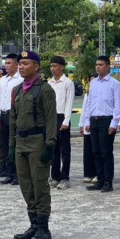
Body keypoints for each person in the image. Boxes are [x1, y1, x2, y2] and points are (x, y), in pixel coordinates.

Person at [9, 50, 58, 239]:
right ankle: (33, 225)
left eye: (26, 63)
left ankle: (43, 228)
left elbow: (51, 119)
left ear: (36, 67)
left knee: (40, 185)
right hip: (21, 143)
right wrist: (12, 145)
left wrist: (50, 145)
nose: (21, 66)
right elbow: (13, 120)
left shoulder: (44, 89)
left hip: (38, 142)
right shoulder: (18, 90)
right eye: (20, 63)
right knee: (26, 185)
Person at [81, 56, 120, 192]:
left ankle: (108, 182)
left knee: (106, 152)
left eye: (100, 64)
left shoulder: (114, 84)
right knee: (96, 152)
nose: (97, 67)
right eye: (96, 64)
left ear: (107, 66)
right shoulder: (93, 83)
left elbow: (118, 104)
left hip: (106, 120)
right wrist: (87, 120)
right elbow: (89, 103)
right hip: (94, 119)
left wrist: (114, 123)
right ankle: (100, 180)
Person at [48, 56, 75, 190]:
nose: (53, 69)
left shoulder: (67, 83)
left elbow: (69, 103)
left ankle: (65, 178)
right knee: (54, 149)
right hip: (51, 118)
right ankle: (55, 176)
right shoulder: (49, 83)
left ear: (62, 67)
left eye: (55, 66)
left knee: (64, 150)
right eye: (51, 66)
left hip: (62, 117)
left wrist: (66, 120)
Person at [0, 54, 22, 185]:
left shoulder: (20, 79)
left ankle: (18, 174)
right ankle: (9, 172)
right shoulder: (3, 80)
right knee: (5, 144)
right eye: (5, 63)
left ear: (16, 65)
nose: (6, 65)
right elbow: (0, 98)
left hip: (15, 114)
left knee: (15, 144)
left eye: (9, 63)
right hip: (4, 114)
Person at [80, 74, 99, 184]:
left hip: (96, 124)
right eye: (90, 81)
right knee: (87, 151)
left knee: (96, 150)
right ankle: (88, 173)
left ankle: (97, 173)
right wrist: (81, 124)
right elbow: (84, 110)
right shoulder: (88, 95)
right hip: (87, 125)